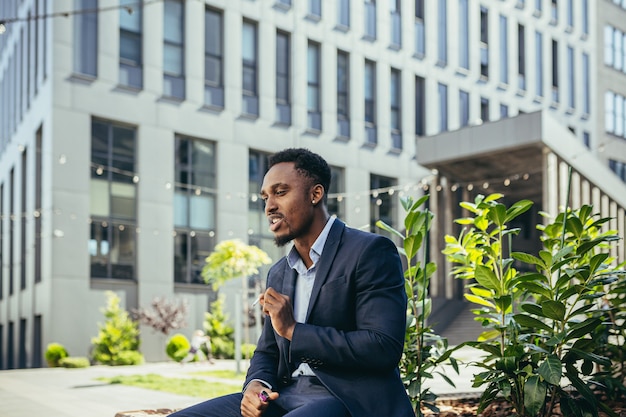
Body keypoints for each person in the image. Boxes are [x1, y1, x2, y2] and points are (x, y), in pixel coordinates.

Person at [170, 148, 414, 417]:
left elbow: (382, 347)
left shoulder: (370, 251)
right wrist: (255, 386)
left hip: (349, 400)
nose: (269, 206)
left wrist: (293, 330)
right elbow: (267, 352)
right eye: (265, 197)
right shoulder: (279, 272)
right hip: (285, 396)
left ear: (315, 194)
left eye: (280, 192)